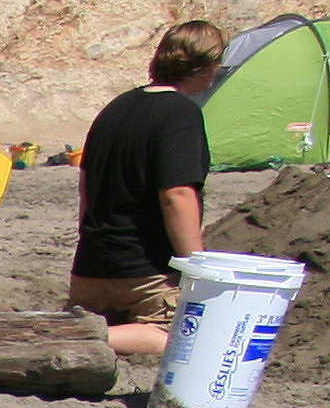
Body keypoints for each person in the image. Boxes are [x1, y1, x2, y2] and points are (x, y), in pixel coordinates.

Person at [67, 19, 224, 357]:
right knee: (182, 340)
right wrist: (196, 266)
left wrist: (93, 242)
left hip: (90, 268)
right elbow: (177, 195)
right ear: (204, 66)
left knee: (103, 320)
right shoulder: (180, 114)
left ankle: (81, 329)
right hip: (146, 274)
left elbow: (86, 187)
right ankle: (76, 336)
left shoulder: (116, 108)